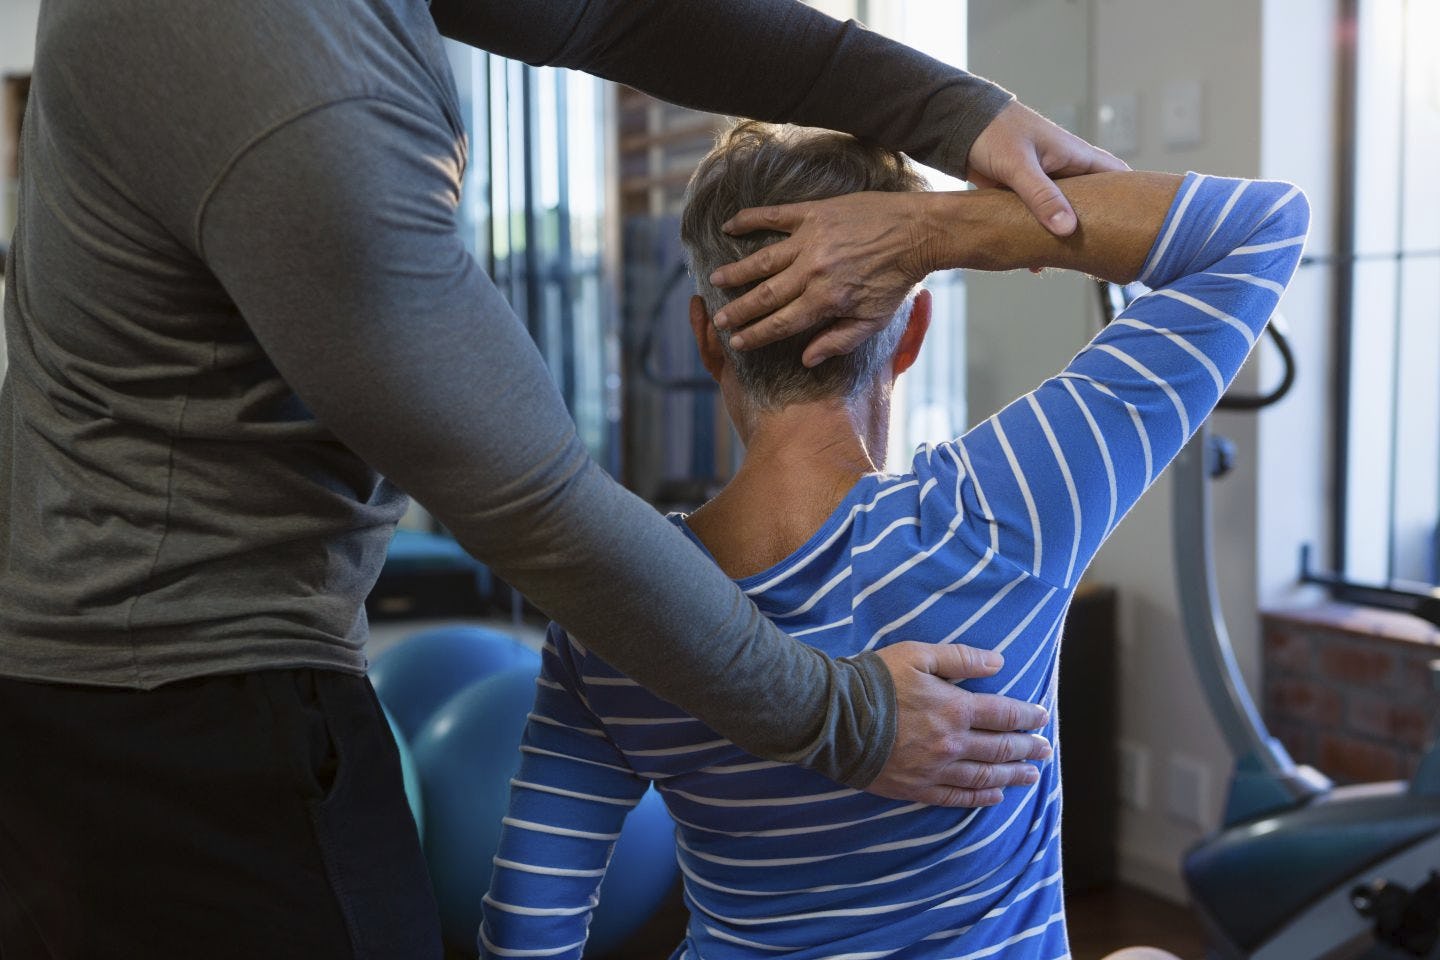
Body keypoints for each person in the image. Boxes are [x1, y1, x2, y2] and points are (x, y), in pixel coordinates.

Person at [0, 1, 1120, 956]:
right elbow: (531, 501)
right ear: (912, 331)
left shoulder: (600, 655)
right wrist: (847, 717)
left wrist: (958, 114)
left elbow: (619, 12)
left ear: (705, 335)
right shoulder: (1016, 505)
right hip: (171, 714)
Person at [477, 121, 1308, 958]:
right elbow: (1260, 227)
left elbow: (525, 930)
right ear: (911, 333)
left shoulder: (613, 615)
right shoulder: (1000, 510)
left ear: (704, 336)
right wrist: (932, 233)